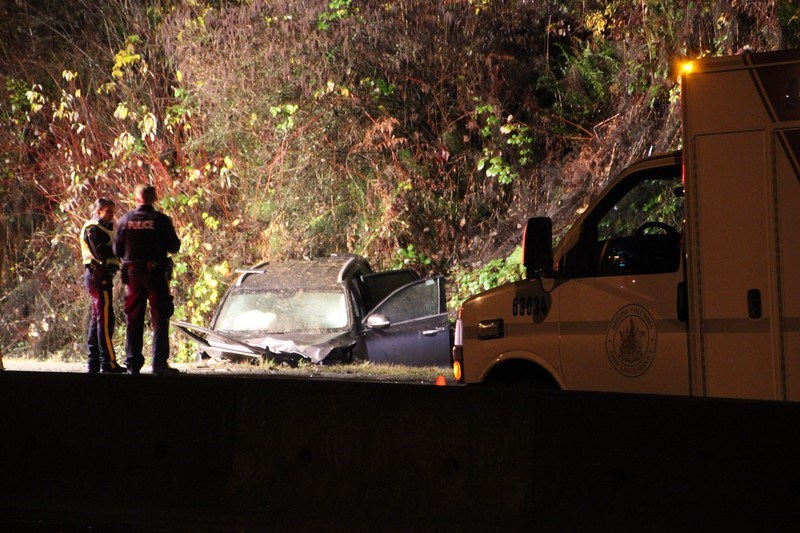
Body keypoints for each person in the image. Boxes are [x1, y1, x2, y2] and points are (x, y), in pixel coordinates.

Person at [113, 184, 181, 375]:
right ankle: (159, 364)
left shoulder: (125, 220)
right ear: (155, 198)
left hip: (133, 276)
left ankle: (133, 364)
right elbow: (174, 246)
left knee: (133, 319)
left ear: (136, 199)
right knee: (160, 318)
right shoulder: (161, 220)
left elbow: (116, 251)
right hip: (156, 275)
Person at [80, 198, 125, 373]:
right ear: (98, 211)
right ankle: (108, 362)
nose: (112, 215)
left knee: (98, 319)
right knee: (105, 320)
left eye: (113, 212)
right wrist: (119, 247)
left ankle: (94, 361)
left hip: (103, 276)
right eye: (108, 211)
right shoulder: (93, 228)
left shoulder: (106, 228)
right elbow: (99, 253)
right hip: (98, 276)